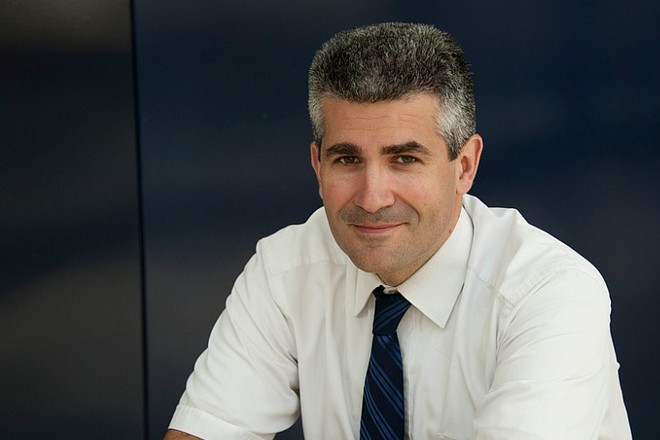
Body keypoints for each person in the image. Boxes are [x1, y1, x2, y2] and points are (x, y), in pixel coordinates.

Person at [164, 23, 631, 439]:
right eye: (347, 159)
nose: (372, 198)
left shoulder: (549, 292)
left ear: (465, 166)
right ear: (317, 166)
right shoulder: (286, 271)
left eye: (404, 159)